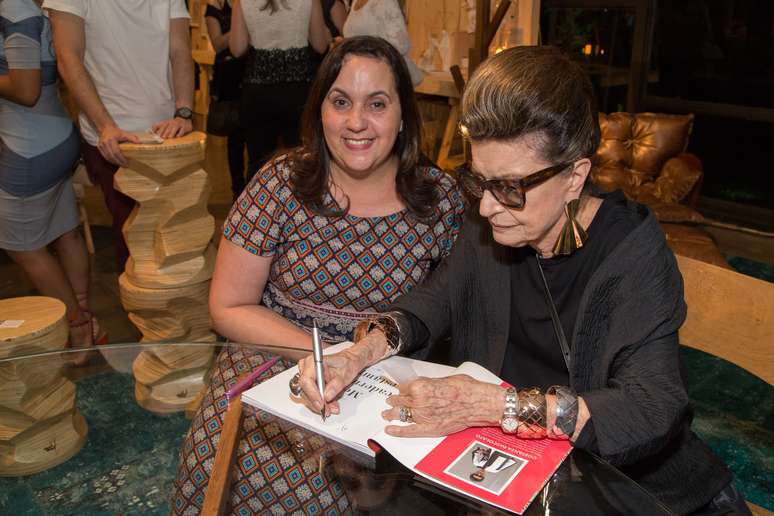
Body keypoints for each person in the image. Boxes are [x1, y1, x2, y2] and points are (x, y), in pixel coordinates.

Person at [297, 46, 750, 516]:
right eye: (479, 180)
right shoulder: (490, 220)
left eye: (511, 187)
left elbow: (651, 408)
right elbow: (435, 301)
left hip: (638, 492)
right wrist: (357, 355)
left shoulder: (631, 252)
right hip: (520, 475)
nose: (488, 206)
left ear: (575, 177)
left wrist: (496, 406)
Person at [170, 36, 465, 514]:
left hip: (384, 374)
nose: (356, 123)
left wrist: (359, 358)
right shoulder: (279, 184)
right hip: (272, 354)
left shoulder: (441, 200)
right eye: (341, 101)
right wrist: (322, 355)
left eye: (377, 104)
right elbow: (228, 305)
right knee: (222, 465)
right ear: (319, 109)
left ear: (404, 115)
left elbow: (455, 308)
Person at [44, 0, 195, 271]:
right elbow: (68, 57)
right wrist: (105, 125)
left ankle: (167, 310)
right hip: (115, 138)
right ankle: (139, 311)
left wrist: (184, 111)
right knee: (134, 241)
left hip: (166, 136)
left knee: (176, 234)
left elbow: (180, 49)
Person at [0, 0, 103, 359]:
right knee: (65, 231)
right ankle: (84, 317)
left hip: (30, 148)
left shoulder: (15, 11)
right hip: (51, 138)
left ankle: (77, 328)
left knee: (23, 247)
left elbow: (25, 90)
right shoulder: (26, 9)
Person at [229, 0, 332, 176]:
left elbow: (237, 49)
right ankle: (300, 203)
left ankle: (257, 202)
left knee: (258, 164)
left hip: (258, 89)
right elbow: (320, 45)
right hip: (298, 89)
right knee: (302, 160)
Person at [205, 0, 247, 201]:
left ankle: (255, 188)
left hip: (251, 73)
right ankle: (237, 190)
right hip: (229, 77)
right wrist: (242, 26)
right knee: (235, 138)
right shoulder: (215, 7)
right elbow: (217, 43)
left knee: (256, 135)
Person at [340, 0, 424, 86]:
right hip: (363, 74)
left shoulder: (385, 1)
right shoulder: (355, 1)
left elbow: (402, 44)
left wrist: (364, 47)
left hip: (385, 76)